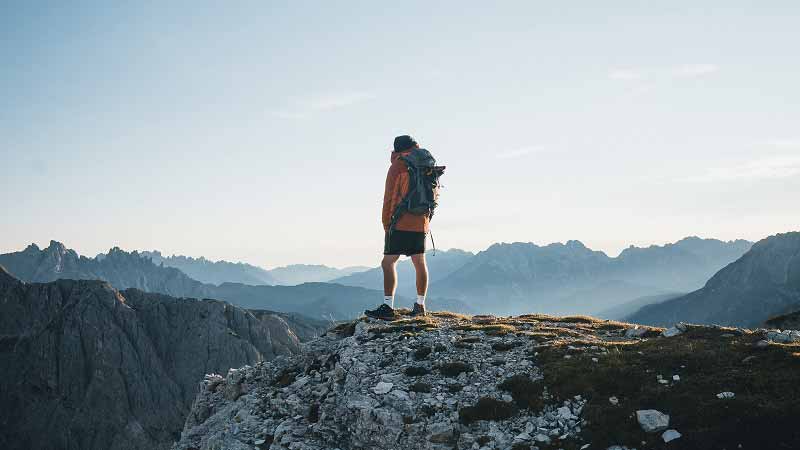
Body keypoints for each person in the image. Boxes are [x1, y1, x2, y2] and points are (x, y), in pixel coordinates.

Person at [365, 135, 430, 320]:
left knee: (388, 263)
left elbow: (390, 198)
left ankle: (387, 307)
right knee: (419, 263)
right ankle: (420, 305)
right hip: (421, 222)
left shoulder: (398, 166)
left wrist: (387, 223)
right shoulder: (425, 164)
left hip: (400, 221)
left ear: (397, 150)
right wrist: (425, 220)